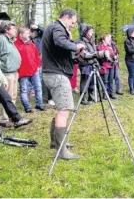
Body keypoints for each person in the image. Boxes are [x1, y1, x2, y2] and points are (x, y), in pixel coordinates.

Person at [42, 9, 85, 160]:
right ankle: (61, 150)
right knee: (64, 110)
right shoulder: (57, 28)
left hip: (54, 73)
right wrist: (76, 46)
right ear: (66, 18)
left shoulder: (55, 28)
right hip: (57, 75)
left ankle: (56, 142)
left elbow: (60, 51)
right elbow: (60, 42)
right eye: (72, 22)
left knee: (61, 108)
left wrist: (74, 55)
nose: (73, 25)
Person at [0, 20, 21, 127]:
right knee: (7, 97)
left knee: (13, 96)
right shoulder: (1, 40)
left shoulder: (10, 40)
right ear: (6, 30)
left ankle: (12, 116)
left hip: (14, 72)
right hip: (6, 73)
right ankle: (3, 119)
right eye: (13, 29)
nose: (15, 30)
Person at [14, 27, 44, 113]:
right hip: (22, 72)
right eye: (27, 33)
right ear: (21, 35)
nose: (29, 35)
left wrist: (38, 66)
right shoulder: (15, 45)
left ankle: (39, 104)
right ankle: (27, 107)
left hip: (34, 70)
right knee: (24, 90)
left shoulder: (32, 44)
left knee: (38, 87)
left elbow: (37, 56)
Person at [30, 23, 55, 106]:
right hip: (35, 63)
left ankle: (50, 98)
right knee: (38, 81)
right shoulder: (29, 40)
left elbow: (46, 31)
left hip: (45, 61)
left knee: (47, 81)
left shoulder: (41, 38)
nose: (32, 33)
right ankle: (42, 98)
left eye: (33, 31)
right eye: (31, 31)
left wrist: (38, 27)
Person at [97, 34, 116, 99]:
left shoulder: (109, 47)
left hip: (111, 66)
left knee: (111, 80)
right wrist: (107, 55)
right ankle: (105, 94)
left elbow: (113, 54)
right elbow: (101, 56)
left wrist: (114, 56)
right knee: (105, 81)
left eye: (109, 39)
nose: (109, 40)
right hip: (105, 66)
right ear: (103, 40)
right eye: (107, 39)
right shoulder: (100, 47)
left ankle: (111, 93)